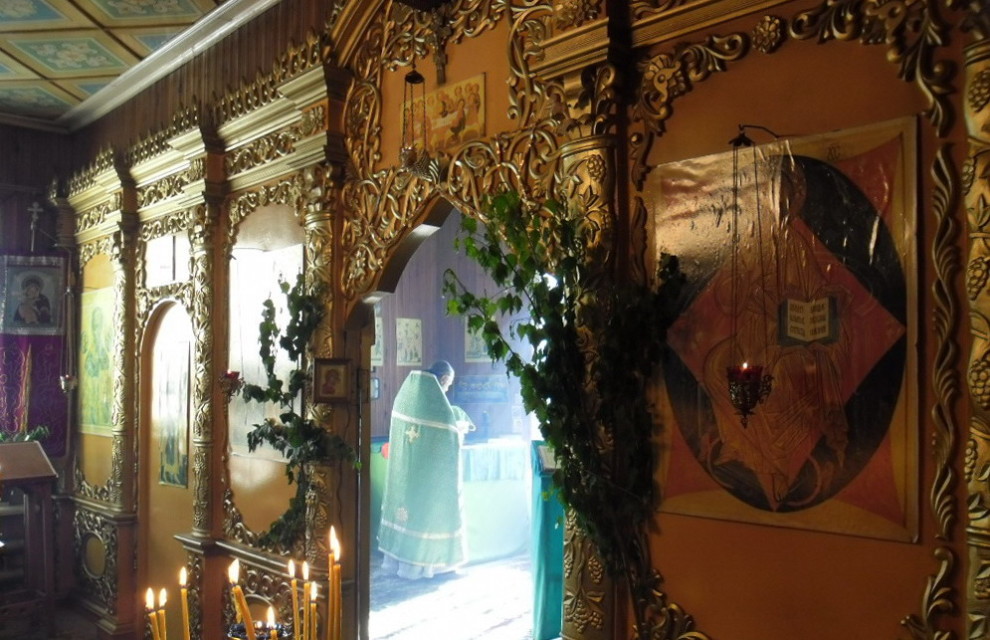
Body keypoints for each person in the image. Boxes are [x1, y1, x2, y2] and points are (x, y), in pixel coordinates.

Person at [378, 360, 474, 579]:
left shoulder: (408, 390)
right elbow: (447, 434)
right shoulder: (434, 401)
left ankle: (400, 563)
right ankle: (429, 566)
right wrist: (459, 428)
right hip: (428, 476)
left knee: (406, 512)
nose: (447, 389)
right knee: (428, 514)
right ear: (444, 379)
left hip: (405, 474)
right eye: (448, 384)